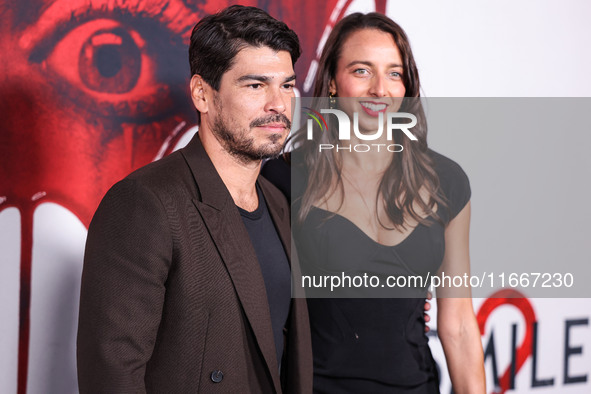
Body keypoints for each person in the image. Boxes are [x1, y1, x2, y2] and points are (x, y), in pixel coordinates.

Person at [77, 5, 312, 393]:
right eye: (255, 85)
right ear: (202, 94)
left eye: (286, 85)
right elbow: (112, 373)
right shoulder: (144, 202)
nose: (279, 105)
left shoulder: (278, 202)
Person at [263, 12, 485, 393]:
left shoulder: (446, 182)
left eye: (394, 73)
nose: (380, 89)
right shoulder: (281, 179)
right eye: (362, 71)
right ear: (332, 81)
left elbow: (459, 324)